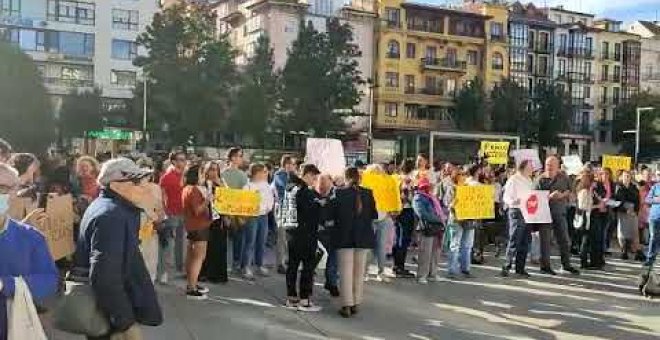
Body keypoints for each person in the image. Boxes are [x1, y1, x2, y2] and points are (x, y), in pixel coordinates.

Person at [74, 158, 162, 339]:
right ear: (115, 185)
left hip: (109, 312)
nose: (144, 187)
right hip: (110, 318)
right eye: (137, 182)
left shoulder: (113, 208)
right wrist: (126, 324)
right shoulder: (111, 216)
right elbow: (104, 277)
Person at [0, 163, 58, 340]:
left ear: (15, 192)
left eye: (2, 188)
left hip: (12, 325)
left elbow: (49, 280)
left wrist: (5, 284)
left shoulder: (31, 237)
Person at [332, 167, 377, 317]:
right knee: (359, 273)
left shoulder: (339, 193)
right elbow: (373, 215)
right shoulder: (368, 193)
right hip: (363, 237)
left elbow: (331, 215)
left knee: (345, 272)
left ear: (345, 177)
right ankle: (356, 302)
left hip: (344, 237)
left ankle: (347, 305)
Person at [284, 164, 322, 312]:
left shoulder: (290, 187)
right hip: (305, 233)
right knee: (307, 267)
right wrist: (319, 204)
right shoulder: (304, 191)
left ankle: (291, 297)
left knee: (292, 266)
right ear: (307, 174)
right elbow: (310, 212)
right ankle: (304, 299)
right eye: (314, 177)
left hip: (292, 232)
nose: (315, 180)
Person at [535, 156, 580, 275]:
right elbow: (534, 198)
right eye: (547, 165)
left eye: (552, 165)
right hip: (545, 214)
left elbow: (570, 191)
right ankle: (545, 266)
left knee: (564, 240)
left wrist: (563, 195)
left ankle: (566, 265)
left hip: (560, 212)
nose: (549, 167)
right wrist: (549, 197)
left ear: (557, 166)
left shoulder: (563, 178)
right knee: (545, 241)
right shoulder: (540, 179)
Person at [182, 165, 212, 300]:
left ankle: (191, 283)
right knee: (198, 257)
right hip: (199, 226)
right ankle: (192, 288)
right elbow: (198, 210)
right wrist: (207, 200)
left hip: (192, 226)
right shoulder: (193, 190)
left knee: (192, 256)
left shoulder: (186, 188)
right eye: (201, 173)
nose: (203, 176)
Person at [242, 163, 276, 279]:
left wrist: (267, 209)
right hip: (252, 216)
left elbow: (270, 199)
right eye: (264, 172)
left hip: (264, 216)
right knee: (250, 242)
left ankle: (259, 264)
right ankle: (246, 266)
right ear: (257, 173)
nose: (266, 174)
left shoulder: (266, 185)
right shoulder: (248, 186)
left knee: (261, 241)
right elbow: (245, 202)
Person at [501, 160, 535, 278]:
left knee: (525, 240)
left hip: (527, 211)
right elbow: (506, 196)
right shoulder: (514, 179)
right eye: (530, 166)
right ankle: (507, 265)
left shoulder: (530, 180)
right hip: (517, 211)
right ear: (524, 167)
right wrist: (513, 201)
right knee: (515, 238)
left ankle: (520, 268)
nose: (532, 169)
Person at [157, 151, 187, 283]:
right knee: (168, 244)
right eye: (180, 160)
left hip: (184, 213)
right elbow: (161, 196)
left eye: (184, 160)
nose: (182, 162)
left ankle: (181, 270)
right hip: (171, 213)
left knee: (182, 243)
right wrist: (163, 213)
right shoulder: (167, 177)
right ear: (173, 162)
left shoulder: (186, 176)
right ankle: (164, 272)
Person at [447, 164, 480, 279]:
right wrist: (455, 201)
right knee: (455, 245)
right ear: (455, 177)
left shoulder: (469, 188)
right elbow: (448, 205)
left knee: (467, 245)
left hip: (468, 220)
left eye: (464, 175)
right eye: (460, 175)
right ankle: (452, 270)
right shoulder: (452, 188)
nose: (463, 177)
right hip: (456, 219)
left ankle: (465, 269)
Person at [413, 177, 446, 284]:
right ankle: (422, 275)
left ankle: (433, 274)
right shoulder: (418, 198)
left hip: (436, 228)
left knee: (435, 252)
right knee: (425, 253)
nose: (430, 187)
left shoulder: (432, 197)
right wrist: (438, 219)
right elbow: (422, 214)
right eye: (428, 186)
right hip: (426, 228)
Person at [221, 147, 249, 274]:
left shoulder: (240, 175)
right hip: (229, 212)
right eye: (239, 155)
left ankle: (233, 264)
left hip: (233, 212)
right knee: (231, 240)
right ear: (232, 157)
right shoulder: (224, 174)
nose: (241, 158)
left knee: (235, 239)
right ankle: (232, 264)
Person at [200, 161, 228, 283]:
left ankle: (217, 274)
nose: (213, 172)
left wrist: (227, 216)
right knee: (207, 246)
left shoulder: (222, 183)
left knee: (219, 245)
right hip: (206, 217)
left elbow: (228, 198)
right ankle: (204, 273)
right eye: (211, 169)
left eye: (216, 169)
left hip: (219, 217)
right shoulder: (203, 184)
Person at [366, 164, 394, 282]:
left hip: (384, 218)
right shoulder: (366, 187)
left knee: (382, 247)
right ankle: (364, 272)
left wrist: (390, 212)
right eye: (375, 172)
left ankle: (381, 272)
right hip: (370, 220)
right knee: (367, 247)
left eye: (379, 172)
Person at [316, 174, 339, 297]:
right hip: (322, 230)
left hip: (332, 230)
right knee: (332, 256)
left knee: (333, 255)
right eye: (321, 182)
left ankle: (331, 282)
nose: (322, 185)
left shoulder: (336, 193)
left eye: (324, 182)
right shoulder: (317, 194)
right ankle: (331, 282)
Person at [392, 159, 416, 278]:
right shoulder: (408, 180)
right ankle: (399, 267)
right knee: (404, 239)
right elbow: (405, 196)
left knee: (398, 238)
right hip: (406, 210)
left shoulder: (395, 177)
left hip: (396, 210)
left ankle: (396, 265)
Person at [272, 155, 296, 274]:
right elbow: (286, 187)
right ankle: (280, 263)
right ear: (286, 164)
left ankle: (287, 260)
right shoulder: (279, 175)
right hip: (281, 208)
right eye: (292, 163)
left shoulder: (291, 175)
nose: (293, 166)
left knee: (289, 237)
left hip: (289, 208)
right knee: (281, 236)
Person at [614, 170, 640, 260]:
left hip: (633, 211)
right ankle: (623, 250)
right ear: (621, 177)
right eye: (625, 176)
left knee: (633, 232)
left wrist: (636, 210)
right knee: (622, 232)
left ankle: (635, 251)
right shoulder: (619, 187)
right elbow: (617, 201)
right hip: (623, 211)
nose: (627, 177)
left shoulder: (634, 187)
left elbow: (637, 199)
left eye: (628, 176)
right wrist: (625, 210)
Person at [644, 180, 660, 267]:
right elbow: (647, 199)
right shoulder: (656, 187)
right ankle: (650, 259)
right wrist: (656, 199)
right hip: (654, 217)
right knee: (653, 237)